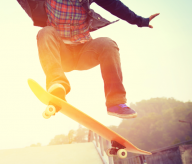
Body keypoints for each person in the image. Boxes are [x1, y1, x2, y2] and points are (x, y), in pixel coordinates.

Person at [18, 0, 159, 119]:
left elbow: (116, 6)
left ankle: (116, 102)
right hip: (61, 54)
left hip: (84, 52)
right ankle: (57, 87)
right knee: (45, 32)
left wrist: (141, 21)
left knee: (108, 43)